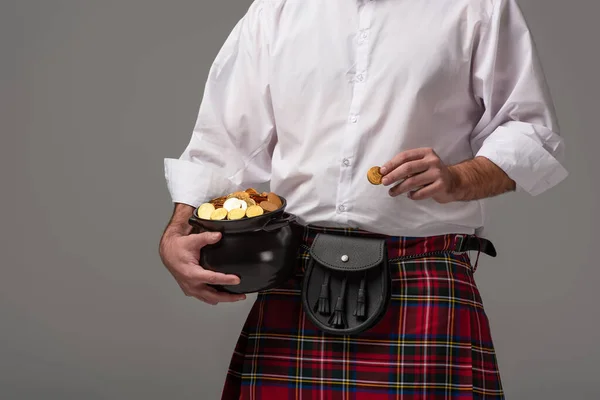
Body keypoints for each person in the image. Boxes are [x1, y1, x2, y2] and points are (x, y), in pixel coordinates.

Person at [159, 0, 568, 398]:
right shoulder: (276, 10)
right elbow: (222, 146)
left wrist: (459, 179)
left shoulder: (480, 7)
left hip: (422, 279)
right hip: (298, 278)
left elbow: (529, 132)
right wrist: (178, 231)